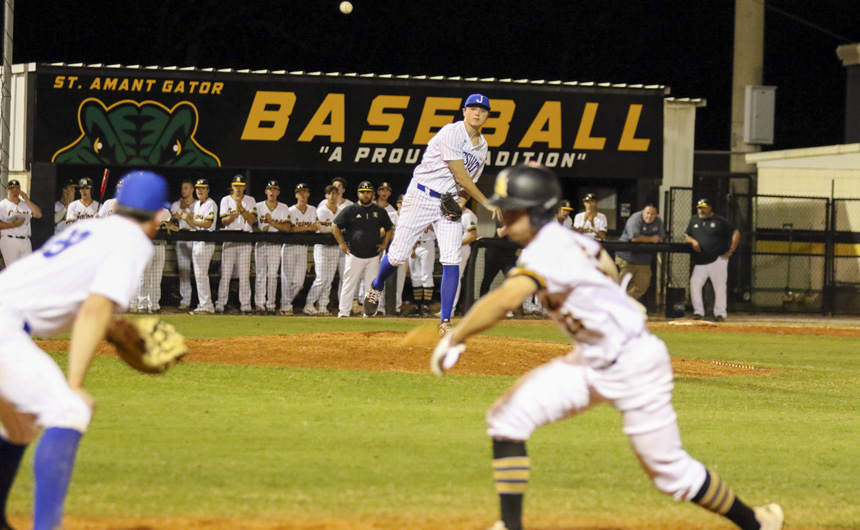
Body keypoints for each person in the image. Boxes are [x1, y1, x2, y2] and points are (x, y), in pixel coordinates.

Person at [430, 164, 784, 530]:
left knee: (671, 474)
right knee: (507, 418)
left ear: (535, 212)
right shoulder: (570, 240)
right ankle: (510, 525)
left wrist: (456, 335)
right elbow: (606, 268)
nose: (503, 220)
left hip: (634, 365)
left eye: (511, 211)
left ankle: (757, 522)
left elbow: (506, 298)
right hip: (593, 360)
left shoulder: (547, 248)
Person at [0, 170, 173, 530]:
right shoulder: (133, 241)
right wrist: (75, 383)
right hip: (6, 326)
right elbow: (93, 309)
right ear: (158, 216)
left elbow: (69, 292)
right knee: (70, 409)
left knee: (20, 424)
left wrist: (110, 328)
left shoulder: (95, 228)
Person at [363, 93, 501, 333]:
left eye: (482, 110)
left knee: (452, 258)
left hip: (448, 202)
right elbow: (460, 175)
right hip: (421, 195)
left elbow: (468, 183)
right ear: (464, 111)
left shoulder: (483, 146)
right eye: (473, 108)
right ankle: (377, 285)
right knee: (398, 256)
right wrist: (485, 201)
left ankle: (445, 321)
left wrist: (460, 203)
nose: (477, 113)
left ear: (488, 115)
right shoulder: (451, 132)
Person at [332, 181, 393, 318]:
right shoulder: (350, 210)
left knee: (371, 288)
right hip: (354, 254)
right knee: (348, 284)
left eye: (368, 192)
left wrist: (384, 244)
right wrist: (342, 243)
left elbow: (389, 228)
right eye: (363, 192)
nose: (366, 195)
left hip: (373, 255)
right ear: (358, 194)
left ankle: (370, 313)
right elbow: (335, 225)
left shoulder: (379, 211)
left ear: (373, 194)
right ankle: (343, 313)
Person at [685, 198, 740, 322]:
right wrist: (693, 241)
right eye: (699, 208)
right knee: (694, 283)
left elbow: (735, 232)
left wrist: (731, 250)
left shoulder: (719, 221)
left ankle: (720, 313)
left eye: (704, 208)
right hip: (701, 260)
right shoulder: (694, 219)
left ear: (710, 208)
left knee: (719, 286)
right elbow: (687, 236)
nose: (701, 210)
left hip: (718, 259)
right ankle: (698, 312)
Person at [216, 175, 257, 314]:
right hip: (229, 240)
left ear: (244, 186)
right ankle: (220, 304)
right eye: (236, 185)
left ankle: (245, 305)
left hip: (245, 241)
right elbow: (223, 221)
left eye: (240, 185)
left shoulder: (250, 200)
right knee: (226, 275)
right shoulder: (225, 200)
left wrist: (242, 209)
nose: (238, 188)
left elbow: (252, 221)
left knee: (244, 276)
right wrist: (234, 214)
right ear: (232, 186)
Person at [280, 183, 319, 316]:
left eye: (304, 192)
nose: (302, 194)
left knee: (299, 282)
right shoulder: (290, 210)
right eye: (299, 192)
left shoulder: (312, 210)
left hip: (303, 248)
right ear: (296, 195)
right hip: (289, 247)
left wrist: (309, 228)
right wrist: (308, 228)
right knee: (287, 279)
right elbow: (289, 229)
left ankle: (285, 302)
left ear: (308, 194)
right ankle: (286, 306)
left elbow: (316, 227)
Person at [180, 179, 218, 314]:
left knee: (202, 274)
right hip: (197, 241)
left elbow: (208, 223)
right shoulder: (197, 205)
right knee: (199, 275)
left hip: (206, 241)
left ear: (208, 190)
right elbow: (195, 224)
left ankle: (207, 305)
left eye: (203, 188)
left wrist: (191, 220)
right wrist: (187, 219)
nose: (200, 190)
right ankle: (204, 304)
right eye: (198, 188)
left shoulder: (211, 203)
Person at [615, 204, 666, 300]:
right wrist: (651, 239)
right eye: (647, 213)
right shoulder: (635, 219)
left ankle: (624, 301)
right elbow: (634, 238)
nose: (649, 216)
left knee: (642, 285)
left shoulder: (658, 221)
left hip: (644, 260)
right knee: (620, 285)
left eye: (652, 214)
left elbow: (661, 237)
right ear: (643, 212)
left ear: (656, 215)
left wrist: (647, 239)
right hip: (626, 257)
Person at [254, 180, 290, 315]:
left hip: (275, 244)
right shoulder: (258, 206)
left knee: (273, 276)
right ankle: (259, 304)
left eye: (274, 189)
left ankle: (271, 304)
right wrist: (259, 230)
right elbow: (252, 224)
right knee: (260, 275)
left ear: (278, 192)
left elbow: (287, 227)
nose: (272, 192)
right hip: (261, 244)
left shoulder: (283, 207)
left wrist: (272, 223)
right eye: (269, 189)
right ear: (266, 191)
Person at [135, 208, 173, 313]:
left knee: (156, 278)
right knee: (144, 277)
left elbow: (171, 230)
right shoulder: (144, 210)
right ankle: (142, 305)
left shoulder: (165, 212)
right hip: (146, 246)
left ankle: (154, 305)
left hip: (160, 246)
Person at [0, 180, 42, 266]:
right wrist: (14, 225)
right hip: (9, 239)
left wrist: (27, 199)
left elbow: (38, 214)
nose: (14, 191)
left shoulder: (25, 204)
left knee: (28, 268)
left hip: (25, 240)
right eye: (12, 189)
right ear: (7, 190)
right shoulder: (2, 205)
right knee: (13, 269)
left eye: (17, 189)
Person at [170, 179, 197, 310]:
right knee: (184, 272)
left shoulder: (198, 204)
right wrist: (182, 209)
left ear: (192, 189)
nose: (183, 191)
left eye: (186, 188)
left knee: (199, 272)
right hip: (181, 239)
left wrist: (186, 210)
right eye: (182, 188)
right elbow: (173, 217)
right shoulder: (176, 204)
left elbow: (195, 220)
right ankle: (185, 301)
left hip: (196, 239)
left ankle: (199, 301)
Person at [450, 206, 478, 314]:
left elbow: (472, 236)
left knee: (455, 277)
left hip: (462, 249)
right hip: (452, 249)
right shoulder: (452, 213)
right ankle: (447, 308)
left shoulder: (468, 215)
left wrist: (456, 244)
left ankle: (451, 309)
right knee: (450, 277)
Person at [408, 227, 436, 316]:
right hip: (412, 244)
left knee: (426, 275)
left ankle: (426, 306)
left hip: (427, 244)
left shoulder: (433, 217)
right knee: (415, 276)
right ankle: (417, 306)